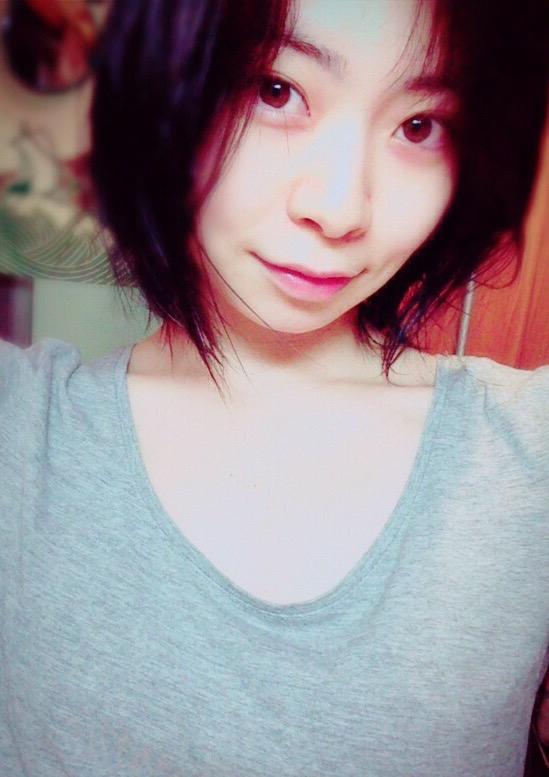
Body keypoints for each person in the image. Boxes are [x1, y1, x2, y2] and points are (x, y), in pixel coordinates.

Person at [0, 0, 548, 775]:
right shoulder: (22, 430)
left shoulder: (528, 457)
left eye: (419, 126)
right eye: (275, 89)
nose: (340, 208)